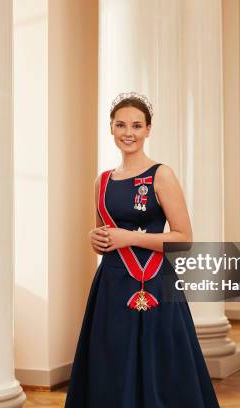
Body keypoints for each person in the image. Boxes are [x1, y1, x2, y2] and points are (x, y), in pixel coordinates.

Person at [65, 92, 221, 408]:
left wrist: (129, 238)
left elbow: (183, 238)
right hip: (111, 282)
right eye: (121, 125)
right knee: (112, 359)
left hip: (155, 283)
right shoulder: (102, 181)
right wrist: (96, 239)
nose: (128, 133)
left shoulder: (161, 175)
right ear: (111, 128)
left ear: (148, 130)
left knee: (162, 360)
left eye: (137, 125)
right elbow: (106, 237)